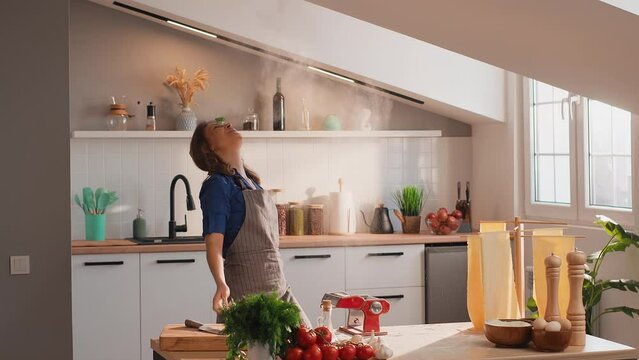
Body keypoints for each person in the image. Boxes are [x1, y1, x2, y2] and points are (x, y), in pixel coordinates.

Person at [189, 121, 310, 325]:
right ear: (208, 148)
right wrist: (220, 283)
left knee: (313, 347)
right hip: (247, 296)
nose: (227, 124)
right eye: (217, 127)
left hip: (279, 289)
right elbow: (213, 241)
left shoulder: (253, 183)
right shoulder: (217, 185)